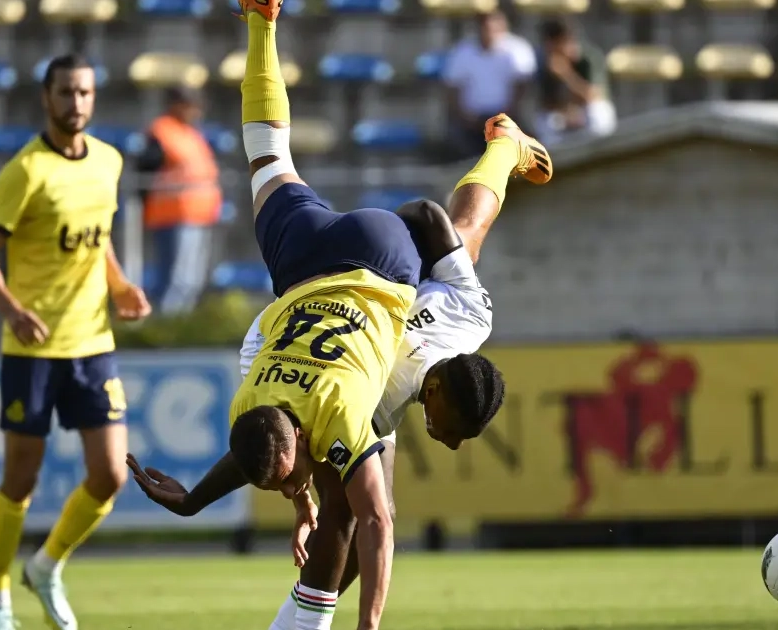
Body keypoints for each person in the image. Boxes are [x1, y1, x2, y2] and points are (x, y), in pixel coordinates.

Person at [133, 1, 548, 628]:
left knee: (349, 506)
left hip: (365, 266)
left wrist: (273, 497)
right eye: (454, 429)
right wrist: (228, 496)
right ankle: (260, 21)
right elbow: (272, 436)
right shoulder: (258, 394)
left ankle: (502, 148)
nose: (445, 440)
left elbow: (318, 475)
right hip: (313, 271)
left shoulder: (409, 360)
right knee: (267, 158)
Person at [0, 53, 152, 630]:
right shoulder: (26, 171)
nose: (76, 102)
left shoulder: (109, 161)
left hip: (92, 343)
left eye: (85, 92)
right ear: (46, 98)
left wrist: (119, 285)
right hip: (32, 351)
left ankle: (46, 567)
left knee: (111, 474)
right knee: (21, 478)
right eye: (66, 92)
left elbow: (99, 240)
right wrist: (13, 311)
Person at [137, 86, 223, 315]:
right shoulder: (162, 132)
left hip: (199, 216)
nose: (196, 111)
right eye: (190, 105)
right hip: (173, 217)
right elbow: (145, 174)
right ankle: (166, 327)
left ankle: (181, 326)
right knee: (175, 281)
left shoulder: (191, 133)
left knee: (191, 280)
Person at [442, 9, 537, 159]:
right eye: (484, 24)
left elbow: (522, 84)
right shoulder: (462, 51)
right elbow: (452, 88)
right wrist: (464, 117)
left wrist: (506, 115)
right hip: (471, 122)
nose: (488, 29)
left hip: (508, 120)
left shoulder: (517, 49)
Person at [535, 19, 615, 146]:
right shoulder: (546, 63)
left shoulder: (588, 58)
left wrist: (566, 74)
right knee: (544, 122)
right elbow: (546, 104)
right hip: (564, 115)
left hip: (586, 112)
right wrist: (567, 112)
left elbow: (592, 96)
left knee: (597, 113)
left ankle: (601, 148)